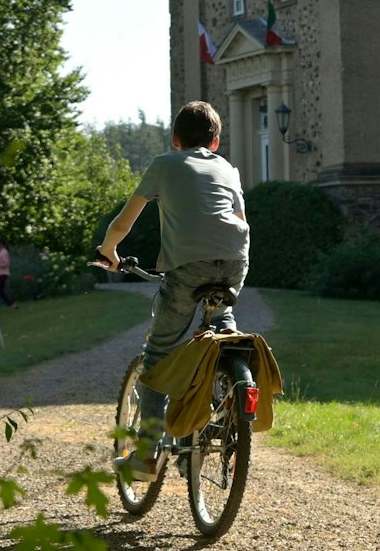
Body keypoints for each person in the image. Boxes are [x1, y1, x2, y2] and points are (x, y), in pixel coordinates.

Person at [94, 100, 249, 480]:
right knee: (220, 321)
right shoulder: (227, 168)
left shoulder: (164, 164)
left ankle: (146, 457)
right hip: (235, 262)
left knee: (159, 357)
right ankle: (227, 383)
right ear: (215, 142)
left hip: (188, 269)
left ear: (175, 139)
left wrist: (109, 251)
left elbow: (124, 221)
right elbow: (240, 219)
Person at [0, 239, 14, 307]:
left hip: (2, 273)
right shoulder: (1, 252)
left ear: (1, 244)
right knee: (0, 291)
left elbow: (6, 263)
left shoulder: (4, 252)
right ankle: (12, 304)